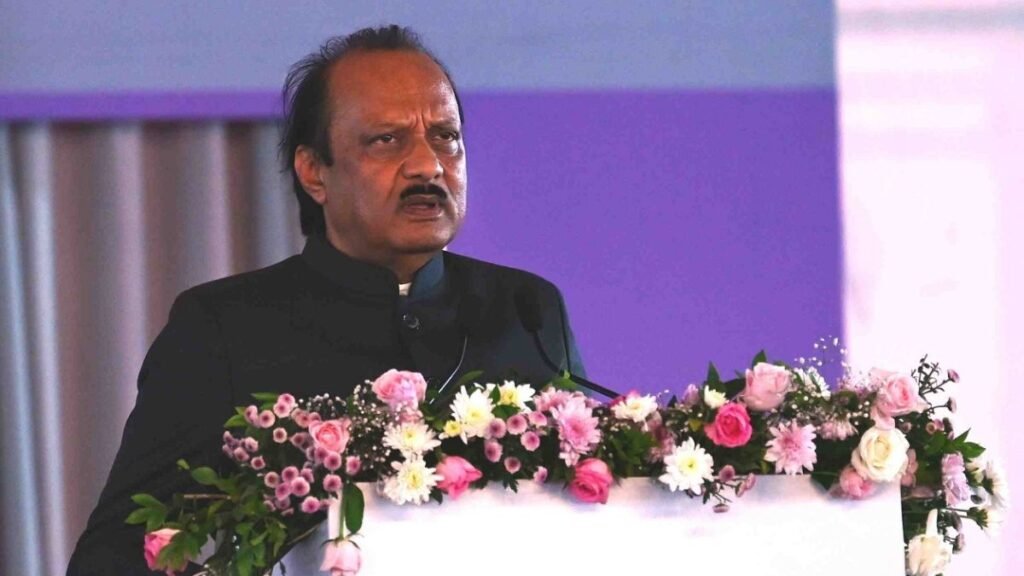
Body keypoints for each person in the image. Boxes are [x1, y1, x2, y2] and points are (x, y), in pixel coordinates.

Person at [67, 25, 585, 575]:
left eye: (445, 137)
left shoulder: (527, 310)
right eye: (386, 140)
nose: (428, 165)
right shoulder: (223, 328)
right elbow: (114, 557)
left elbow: (589, 513)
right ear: (314, 171)